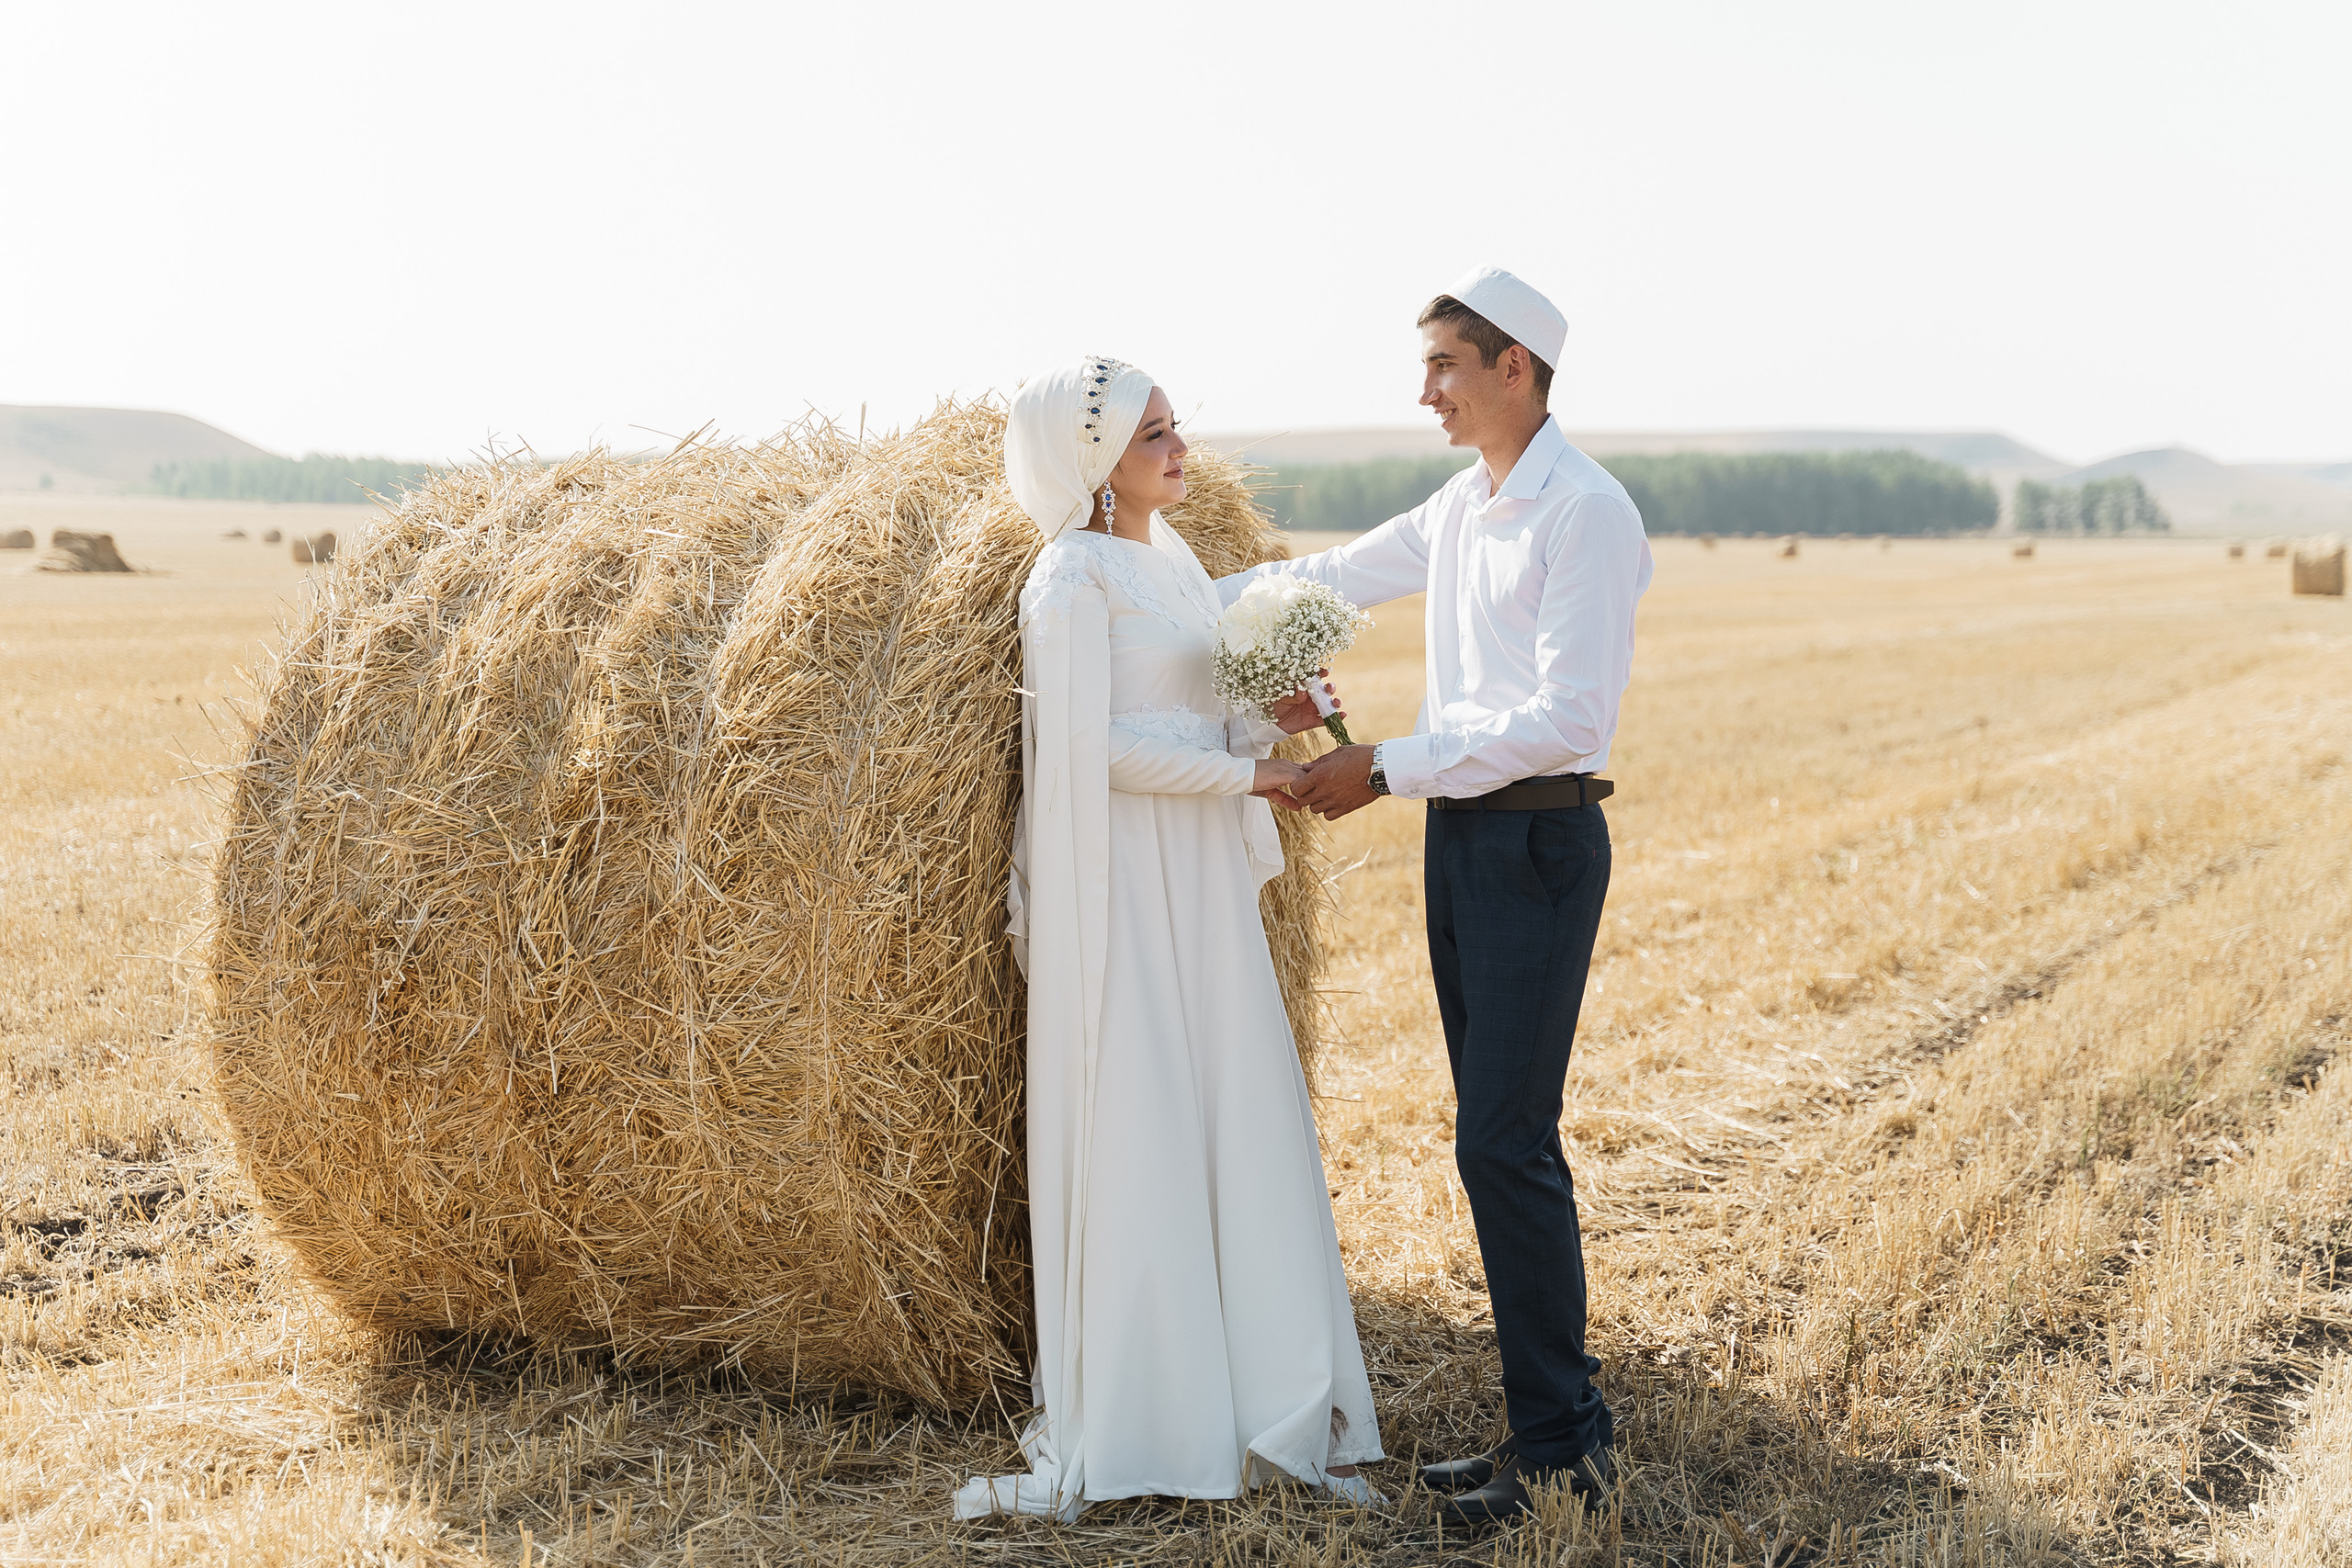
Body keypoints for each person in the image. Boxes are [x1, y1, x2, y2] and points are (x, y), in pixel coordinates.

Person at [1218, 267, 1653, 1527]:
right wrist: (1140, 598)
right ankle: (1551, 1428)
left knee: (1502, 1139)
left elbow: (1566, 715)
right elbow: (1332, 580)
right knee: (1492, 1133)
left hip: (1535, 843)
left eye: (1446, 368)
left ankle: (1563, 1449)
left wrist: (1384, 764)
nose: (1428, 394)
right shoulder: (1467, 505)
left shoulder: (1587, 512)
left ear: (1514, 366)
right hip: (1464, 839)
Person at [953, 356, 1385, 1523]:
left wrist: (1277, 715)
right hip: (1131, 882)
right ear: (1094, 457)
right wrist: (1253, 773)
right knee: (1148, 1111)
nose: (1178, 445)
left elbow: (1200, 706)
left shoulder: (1179, 562)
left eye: (1175, 424)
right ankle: (1164, 1412)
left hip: (1200, 874)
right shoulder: (1068, 578)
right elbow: (1087, 753)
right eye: (1152, 432)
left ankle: (1277, 1400)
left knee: (1238, 1108)